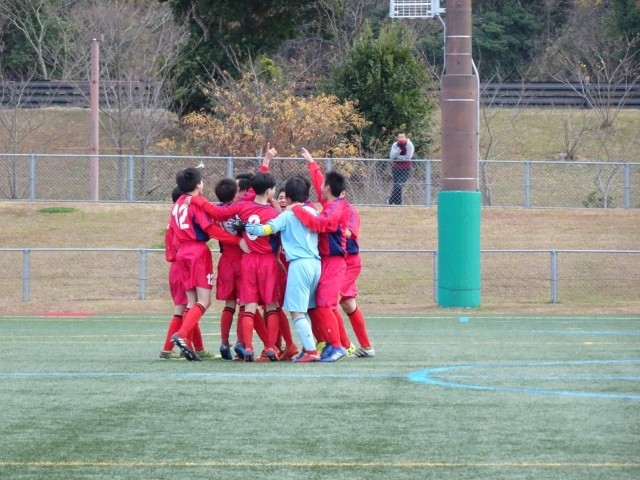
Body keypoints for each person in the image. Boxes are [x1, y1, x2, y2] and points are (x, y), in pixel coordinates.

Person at [188, 166, 282, 362]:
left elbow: (216, 212)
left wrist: (197, 198)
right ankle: (271, 348)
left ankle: (247, 347)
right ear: (270, 191)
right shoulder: (275, 214)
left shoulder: (242, 207)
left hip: (246, 260)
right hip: (266, 262)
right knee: (271, 306)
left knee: (248, 306)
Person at [244, 176, 322, 362]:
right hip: (315, 263)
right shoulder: (313, 211)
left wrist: (246, 227)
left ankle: (311, 351)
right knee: (307, 308)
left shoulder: (287, 215)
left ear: (287, 198)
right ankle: (307, 347)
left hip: (299, 264)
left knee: (296, 312)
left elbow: (266, 230)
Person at [289, 148, 350, 363]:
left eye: (323, 185)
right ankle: (332, 343)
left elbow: (320, 224)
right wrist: (312, 163)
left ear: (329, 189)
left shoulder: (336, 208)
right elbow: (319, 184)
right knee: (317, 305)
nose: (319, 188)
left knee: (324, 304)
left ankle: (338, 346)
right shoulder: (331, 203)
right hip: (324, 261)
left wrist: (295, 209)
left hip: (334, 261)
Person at [167, 168, 231, 361]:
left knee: (191, 302)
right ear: (197, 185)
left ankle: (187, 341)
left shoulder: (178, 203)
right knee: (204, 301)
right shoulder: (195, 204)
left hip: (182, 254)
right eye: (202, 181)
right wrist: (235, 241)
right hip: (197, 252)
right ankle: (182, 335)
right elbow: (209, 228)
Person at [388, 132, 414, 205]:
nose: (401, 138)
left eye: (402, 137)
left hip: (406, 168)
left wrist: (397, 158)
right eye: (399, 137)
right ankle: (398, 204)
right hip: (395, 168)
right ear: (397, 138)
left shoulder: (409, 145)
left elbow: (408, 157)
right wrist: (398, 149)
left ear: (405, 137)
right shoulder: (395, 145)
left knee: (399, 185)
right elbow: (392, 157)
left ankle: (390, 201)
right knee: (396, 185)